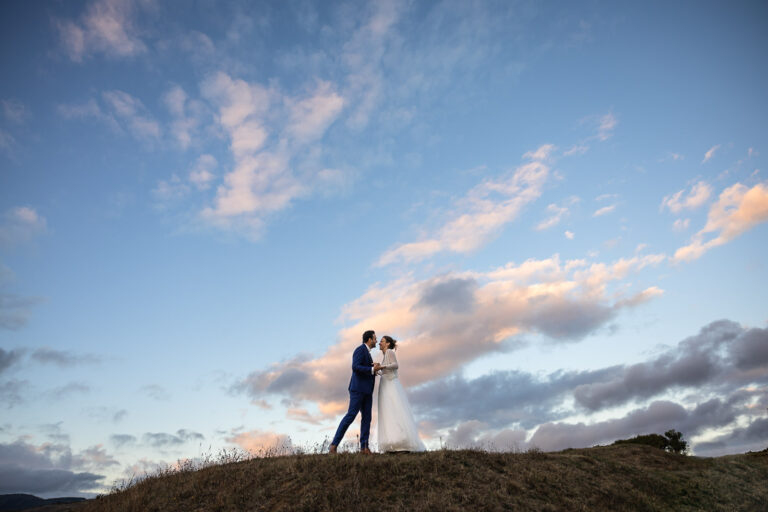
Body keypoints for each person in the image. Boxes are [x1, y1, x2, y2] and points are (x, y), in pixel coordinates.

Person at [329, 330, 380, 454]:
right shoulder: (360, 350)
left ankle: (364, 447)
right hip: (357, 390)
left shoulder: (368, 354)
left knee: (367, 418)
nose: (376, 341)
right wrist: (372, 369)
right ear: (369, 339)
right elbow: (355, 367)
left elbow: (367, 369)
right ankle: (334, 445)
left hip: (367, 391)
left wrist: (374, 369)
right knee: (351, 415)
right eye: (374, 338)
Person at [376, 335, 426, 453]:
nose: (379, 343)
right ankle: (392, 442)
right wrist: (378, 368)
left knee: (394, 410)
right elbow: (386, 369)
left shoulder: (389, 352)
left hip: (390, 385)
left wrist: (382, 366)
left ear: (388, 344)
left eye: (382, 341)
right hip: (385, 384)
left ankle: (401, 442)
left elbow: (395, 365)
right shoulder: (384, 355)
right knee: (388, 412)